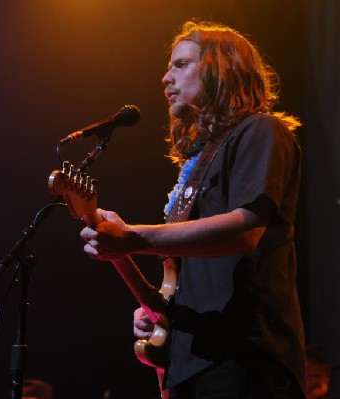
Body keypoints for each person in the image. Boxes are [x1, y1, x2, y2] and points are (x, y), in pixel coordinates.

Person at [79, 20, 306, 398]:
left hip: (245, 356)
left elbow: (245, 229)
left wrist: (134, 236)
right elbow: (192, 277)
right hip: (189, 360)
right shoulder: (198, 161)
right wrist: (160, 312)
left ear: (222, 68)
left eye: (181, 64)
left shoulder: (260, 131)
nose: (166, 78)